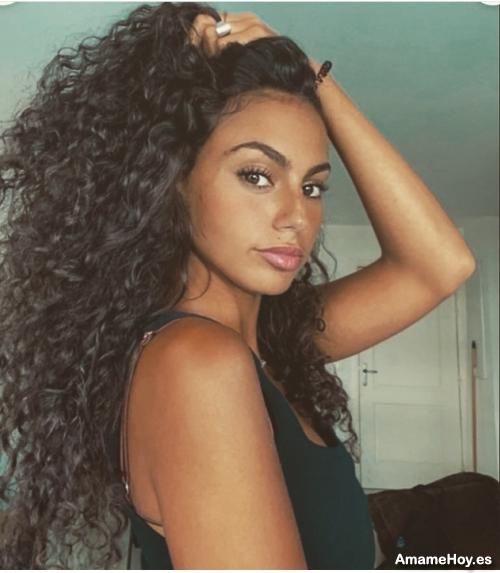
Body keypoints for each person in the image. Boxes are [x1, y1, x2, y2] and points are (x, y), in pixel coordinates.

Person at [0, 2, 476, 569]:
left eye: (313, 187)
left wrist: (315, 78)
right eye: (257, 175)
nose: (296, 217)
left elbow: (439, 266)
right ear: (174, 181)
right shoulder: (197, 363)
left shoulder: (272, 343)